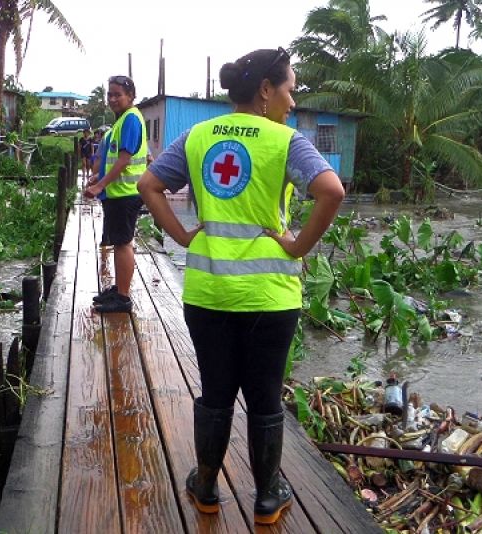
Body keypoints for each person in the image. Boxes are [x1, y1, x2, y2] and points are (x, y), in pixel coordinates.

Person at [137, 48, 344, 525]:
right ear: (267, 90)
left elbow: (149, 185)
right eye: (290, 90)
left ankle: (206, 485)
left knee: (215, 392)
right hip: (269, 298)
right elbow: (331, 191)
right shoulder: (285, 141)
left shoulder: (196, 135)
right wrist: (297, 248)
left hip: (208, 294)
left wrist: (182, 235)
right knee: (265, 396)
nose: (292, 102)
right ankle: (267, 497)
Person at [85, 76, 148, 313]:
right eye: (109, 94)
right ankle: (119, 288)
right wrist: (97, 177)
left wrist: (100, 186)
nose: (112, 99)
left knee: (123, 243)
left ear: (130, 96)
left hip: (126, 194)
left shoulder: (131, 119)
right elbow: (111, 159)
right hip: (117, 193)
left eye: (117, 94)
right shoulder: (121, 122)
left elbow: (124, 160)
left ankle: (123, 298)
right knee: (119, 241)